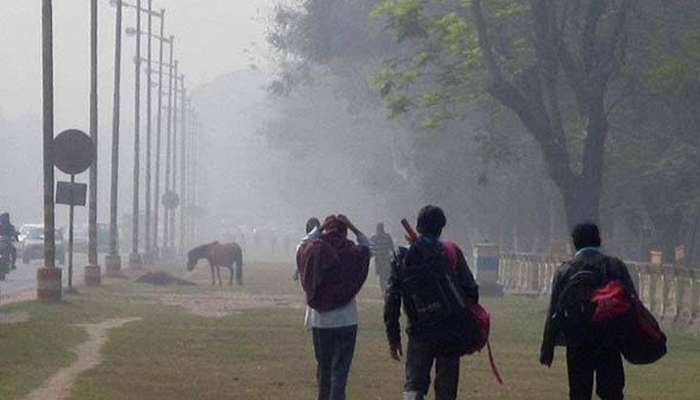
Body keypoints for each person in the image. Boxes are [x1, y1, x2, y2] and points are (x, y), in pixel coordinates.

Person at [384, 205, 479, 400]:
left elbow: (392, 299)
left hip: (419, 331)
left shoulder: (402, 255)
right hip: (451, 330)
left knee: (414, 386)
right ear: (441, 228)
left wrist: (393, 337)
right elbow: (472, 291)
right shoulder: (451, 251)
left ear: (418, 227)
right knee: (446, 391)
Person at [540, 222, 638, 400]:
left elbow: (554, 310)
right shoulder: (614, 266)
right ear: (599, 240)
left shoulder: (565, 270)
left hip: (577, 339)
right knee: (612, 391)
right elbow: (632, 302)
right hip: (609, 339)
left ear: (574, 243)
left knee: (579, 391)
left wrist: (547, 347)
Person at [296, 215, 371, 400]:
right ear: (344, 232)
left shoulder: (313, 251)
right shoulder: (352, 252)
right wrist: (353, 227)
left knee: (324, 369)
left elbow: (301, 245)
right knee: (340, 373)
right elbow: (369, 248)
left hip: (320, 322)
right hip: (346, 321)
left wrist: (320, 228)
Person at [370, 223, 394, 294]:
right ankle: (384, 290)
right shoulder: (374, 238)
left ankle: (386, 289)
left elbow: (391, 247)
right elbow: (371, 248)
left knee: (386, 275)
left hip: (385, 259)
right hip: (380, 259)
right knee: (382, 275)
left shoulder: (386, 237)